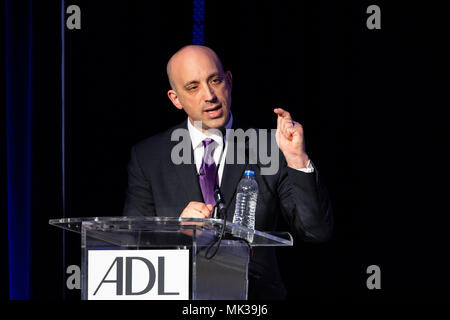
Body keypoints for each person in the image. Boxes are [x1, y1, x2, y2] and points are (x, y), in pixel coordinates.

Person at [123, 45, 333, 299]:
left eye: (215, 80)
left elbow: (315, 231)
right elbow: (133, 244)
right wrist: (177, 231)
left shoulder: (271, 147)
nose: (209, 95)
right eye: (193, 87)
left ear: (229, 81)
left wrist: (297, 158)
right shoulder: (148, 156)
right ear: (175, 98)